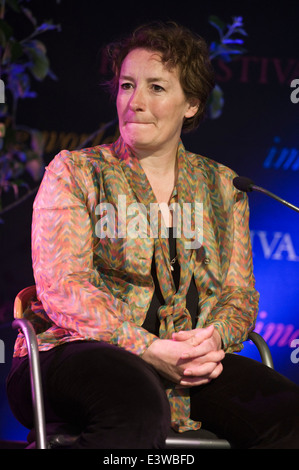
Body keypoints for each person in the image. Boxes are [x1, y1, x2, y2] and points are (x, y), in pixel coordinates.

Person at [6, 22, 299, 449]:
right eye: (127, 85)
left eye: (156, 88)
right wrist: (145, 347)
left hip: (188, 367)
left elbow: (240, 296)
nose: (135, 102)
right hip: (75, 355)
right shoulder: (76, 171)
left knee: (288, 414)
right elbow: (64, 288)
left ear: (192, 104)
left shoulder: (224, 186)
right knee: (137, 407)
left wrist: (213, 337)